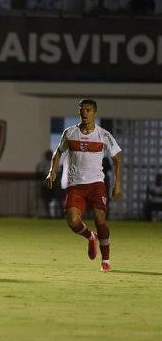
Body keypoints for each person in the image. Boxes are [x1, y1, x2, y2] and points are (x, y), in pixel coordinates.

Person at [46, 99, 122, 272]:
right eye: (82, 110)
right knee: (73, 222)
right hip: (76, 185)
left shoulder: (103, 135)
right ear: (78, 112)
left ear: (95, 112)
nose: (85, 113)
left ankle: (106, 260)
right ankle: (90, 236)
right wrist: (52, 172)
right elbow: (58, 152)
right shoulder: (70, 133)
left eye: (88, 110)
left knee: (100, 220)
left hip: (96, 184)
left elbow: (117, 161)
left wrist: (117, 185)